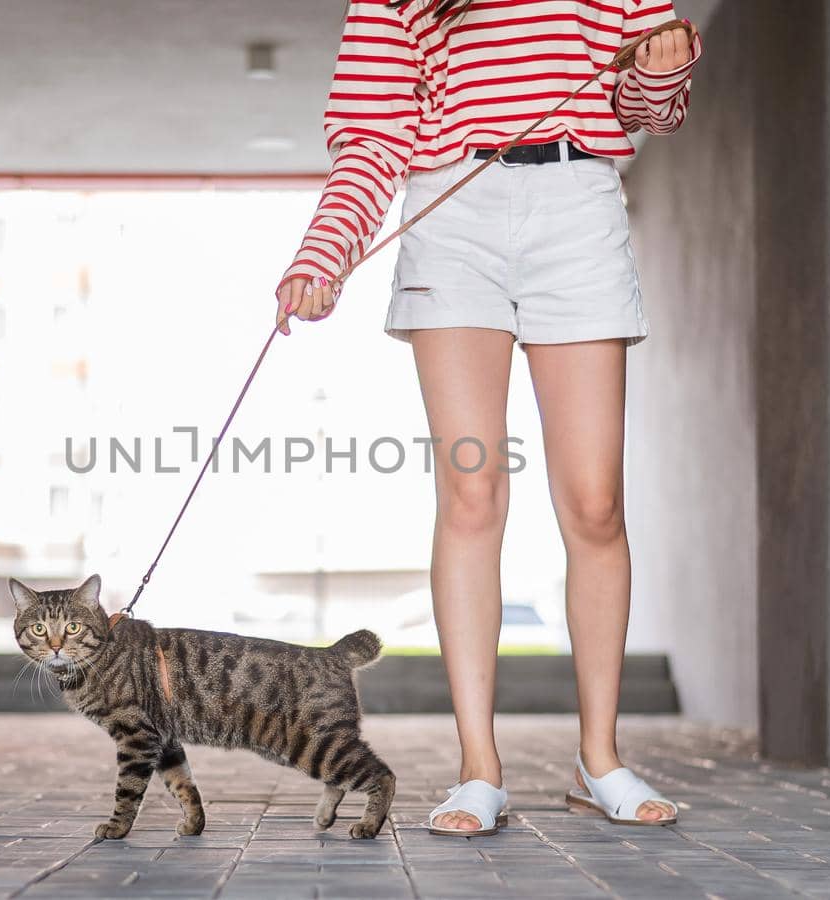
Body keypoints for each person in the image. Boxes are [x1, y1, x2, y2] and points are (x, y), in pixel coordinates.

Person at [275, 0, 701, 833]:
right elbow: (372, 136)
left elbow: (654, 112)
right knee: (471, 497)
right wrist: (324, 253)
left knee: (594, 503)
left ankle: (599, 759)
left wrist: (660, 67)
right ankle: (479, 768)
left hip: (579, 206)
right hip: (454, 212)